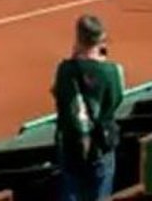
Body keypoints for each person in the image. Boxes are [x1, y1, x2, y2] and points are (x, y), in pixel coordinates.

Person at [53, 15, 124, 201]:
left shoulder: (65, 70)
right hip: (102, 145)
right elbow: (116, 99)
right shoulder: (112, 71)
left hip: (72, 148)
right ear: (100, 40)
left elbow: (59, 94)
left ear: (78, 38)